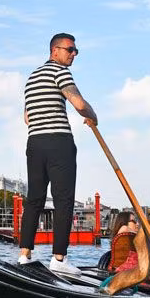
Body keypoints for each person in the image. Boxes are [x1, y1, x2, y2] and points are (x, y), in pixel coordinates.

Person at [19, 32, 98, 275]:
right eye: (70, 50)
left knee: (35, 199)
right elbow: (78, 103)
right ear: (55, 51)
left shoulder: (32, 78)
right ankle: (59, 259)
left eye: (75, 51)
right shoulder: (59, 71)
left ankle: (24, 254)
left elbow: (27, 117)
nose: (74, 54)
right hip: (59, 142)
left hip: (34, 143)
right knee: (63, 200)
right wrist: (93, 116)